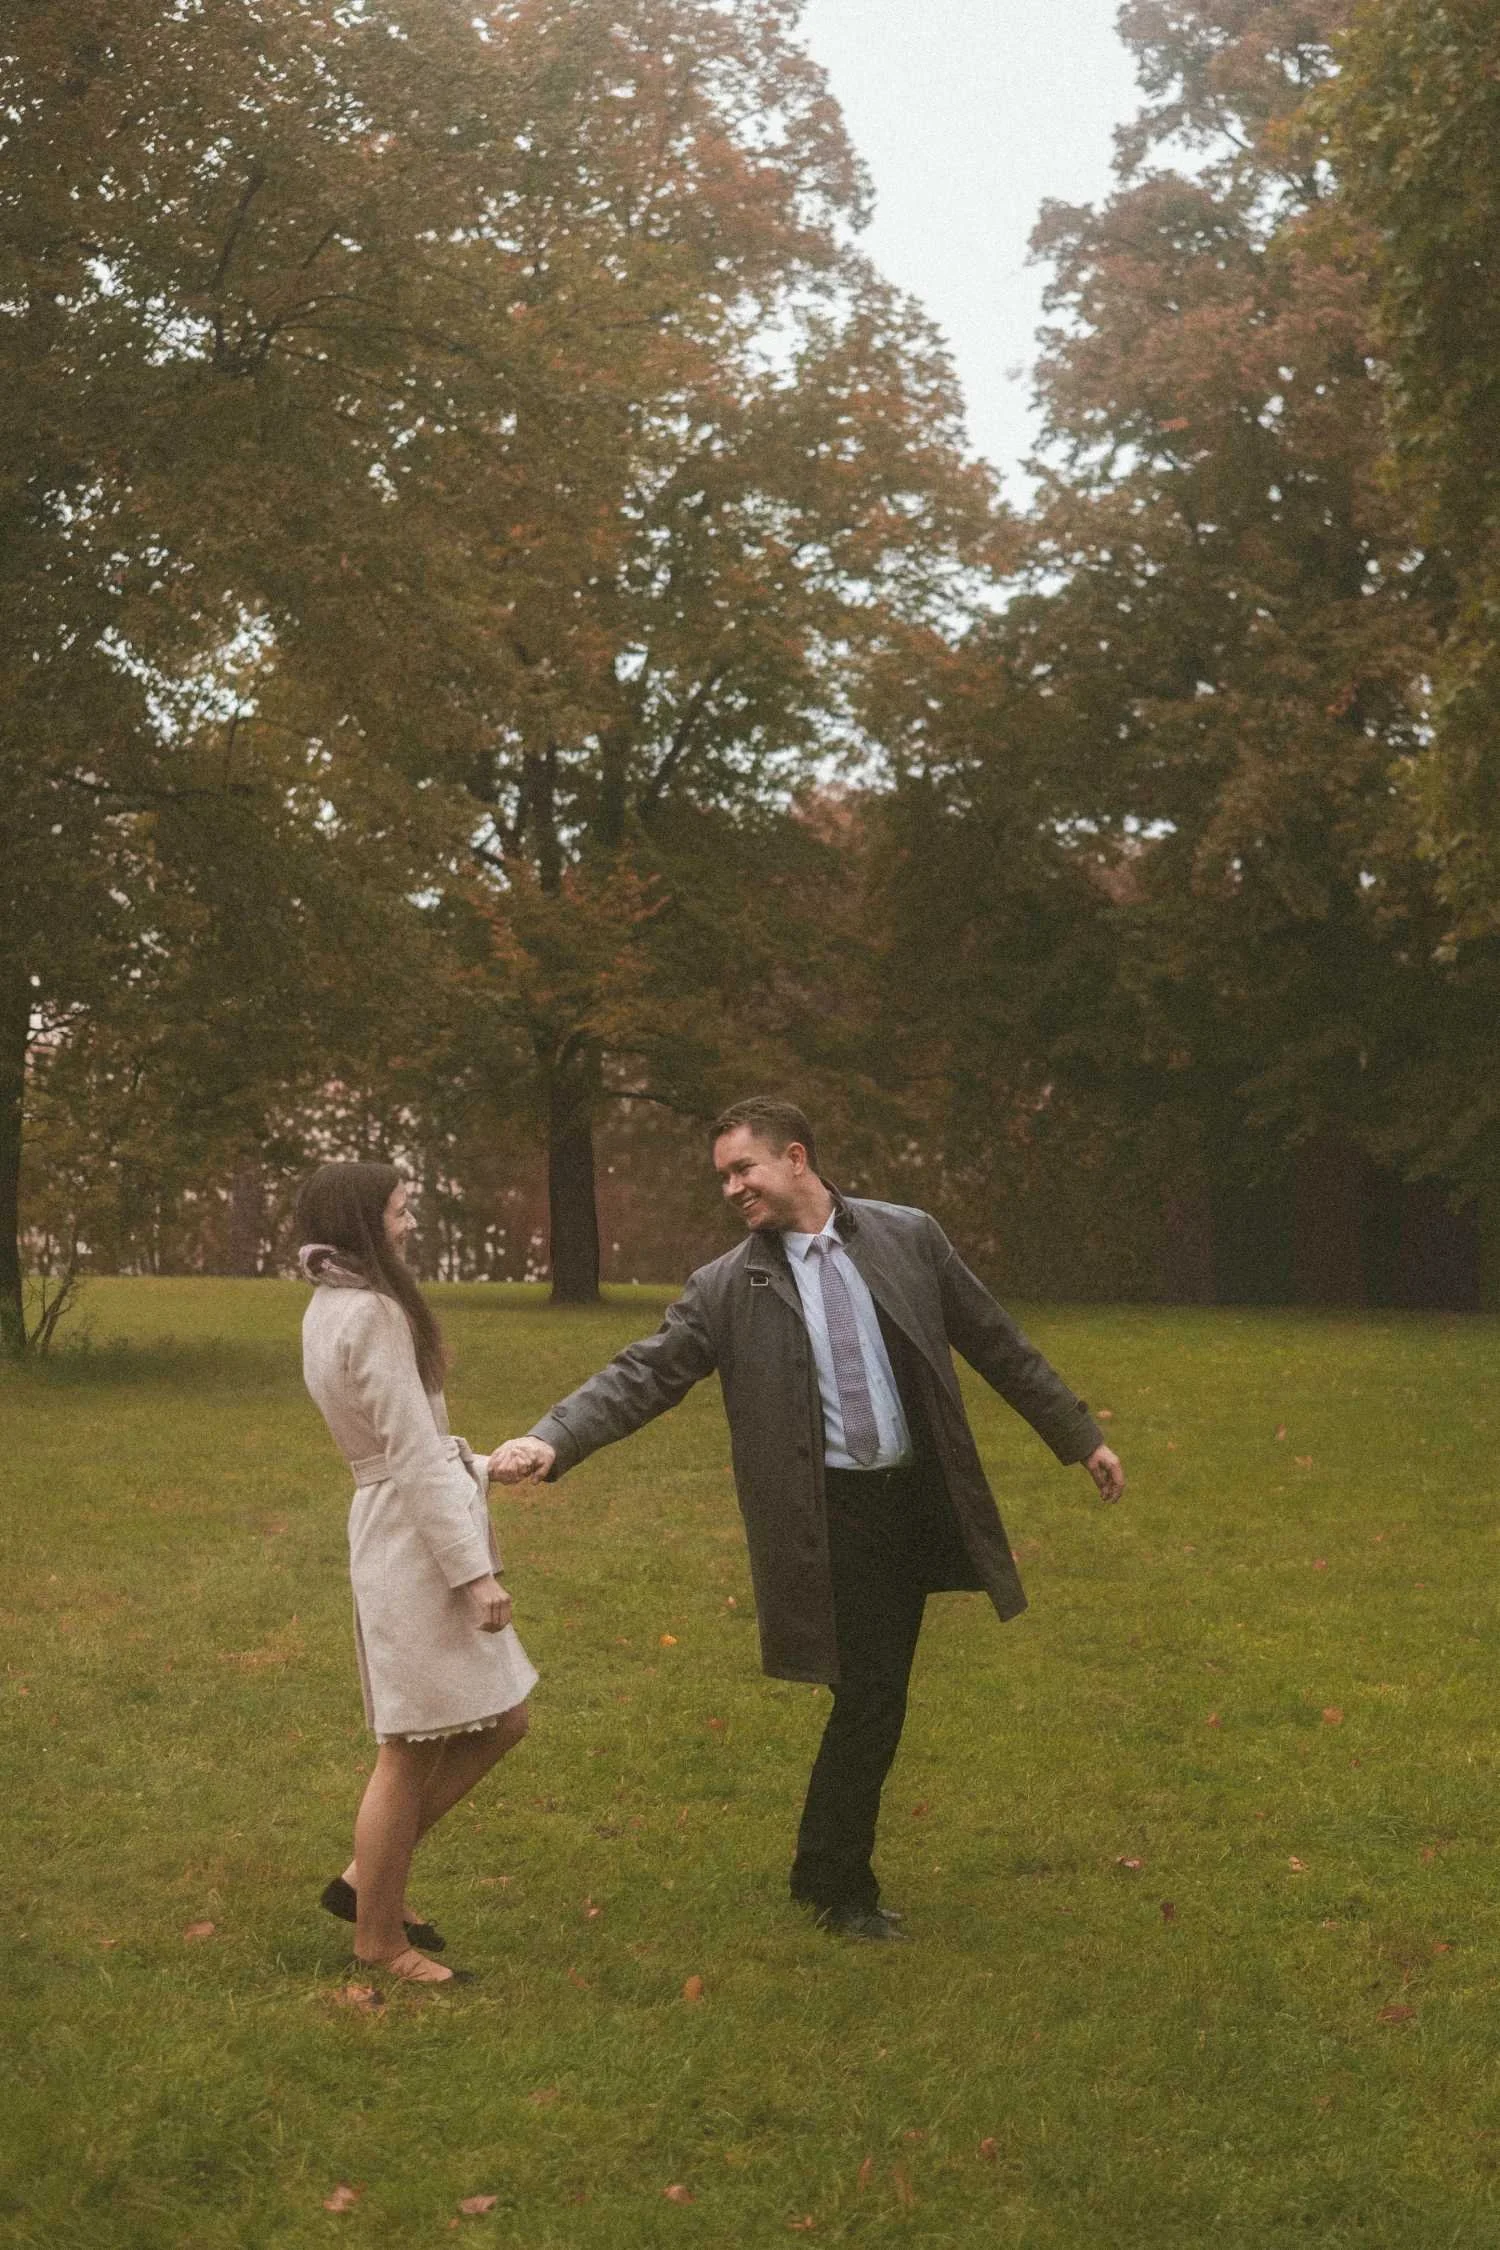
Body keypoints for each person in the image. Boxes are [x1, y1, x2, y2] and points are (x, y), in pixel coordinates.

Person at [493, 1097, 1124, 1940]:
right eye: (722, 1176)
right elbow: (641, 1375)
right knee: (868, 1697)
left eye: (742, 1168)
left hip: (913, 1499)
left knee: (876, 1697)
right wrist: (552, 1438)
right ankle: (834, 1885)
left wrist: (1078, 1435)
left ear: (796, 1158)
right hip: (830, 1518)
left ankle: (825, 1873)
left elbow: (994, 1339)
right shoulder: (727, 1286)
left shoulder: (909, 1237)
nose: (732, 1188)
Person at [298, 1160, 537, 1985]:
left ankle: (371, 1878)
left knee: (502, 1721)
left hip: (404, 1517)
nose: (408, 1224)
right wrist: (475, 1576)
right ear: (367, 1220)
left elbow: (408, 1446)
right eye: (400, 1210)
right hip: (410, 1538)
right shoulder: (367, 1313)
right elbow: (399, 1452)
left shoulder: (334, 1305)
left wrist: (473, 1466)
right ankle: (377, 1942)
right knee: (406, 1751)